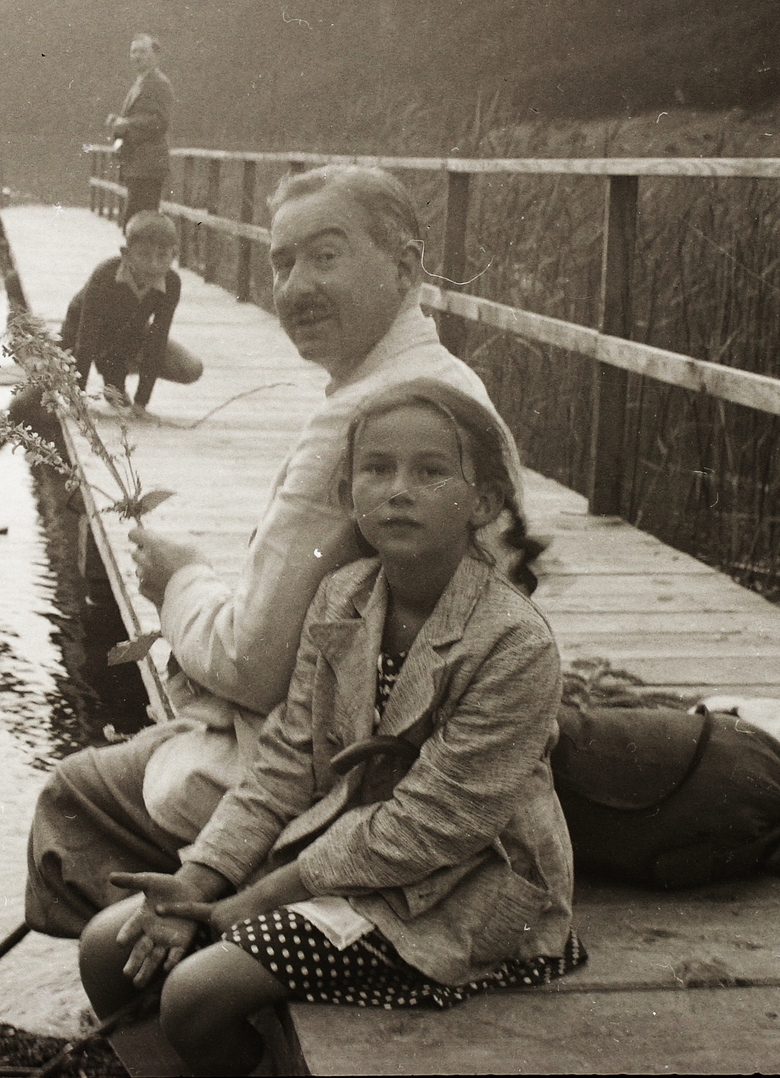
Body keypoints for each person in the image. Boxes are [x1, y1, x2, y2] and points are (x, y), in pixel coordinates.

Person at [25, 164, 540, 935]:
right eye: (282, 262)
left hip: (350, 776)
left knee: (71, 796)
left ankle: (165, 984)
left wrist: (181, 578)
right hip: (408, 735)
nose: (295, 286)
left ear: (406, 267)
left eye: (324, 257)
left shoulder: (360, 422)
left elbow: (253, 666)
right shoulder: (445, 378)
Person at [78, 379, 582, 1077]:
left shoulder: (513, 643)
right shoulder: (343, 597)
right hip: (344, 855)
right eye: (376, 469)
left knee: (197, 993)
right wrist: (199, 877)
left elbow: (428, 826)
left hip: (463, 886)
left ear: (486, 501)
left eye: (431, 471)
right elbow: (289, 758)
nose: (397, 489)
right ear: (349, 491)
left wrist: (252, 899)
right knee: (107, 947)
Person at [0, 211, 202, 509]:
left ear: (174, 256)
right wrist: (75, 399)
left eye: (163, 257)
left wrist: (141, 404)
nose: (155, 265)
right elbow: (85, 342)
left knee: (190, 367)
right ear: (126, 254)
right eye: (145, 256)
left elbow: (157, 340)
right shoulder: (105, 276)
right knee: (24, 403)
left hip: (124, 343)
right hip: (78, 341)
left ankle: (117, 382)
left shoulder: (170, 284)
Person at [106, 34, 173, 223]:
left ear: (155, 55)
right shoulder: (140, 82)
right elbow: (140, 117)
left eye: (142, 51)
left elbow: (160, 121)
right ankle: (135, 252)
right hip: (136, 163)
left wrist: (127, 123)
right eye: (133, 51)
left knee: (140, 221)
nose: (136, 56)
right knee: (135, 221)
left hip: (149, 165)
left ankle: (138, 253)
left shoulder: (159, 83)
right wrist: (119, 120)